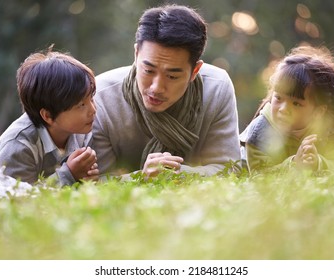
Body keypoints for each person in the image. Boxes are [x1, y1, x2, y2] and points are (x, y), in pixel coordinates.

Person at [92, 4, 241, 178]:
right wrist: (143, 177)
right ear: (136, 54)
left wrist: (178, 174)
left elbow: (230, 169)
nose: (156, 88)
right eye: (148, 71)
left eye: (172, 76)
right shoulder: (101, 96)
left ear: (195, 71)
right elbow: (95, 183)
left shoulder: (216, 88)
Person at [0, 46, 99, 185]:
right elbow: (19, 198)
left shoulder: (80, 130)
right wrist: (69, 174)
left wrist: (85, 179)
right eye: (81, 105)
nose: (93, 110)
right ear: (48, 115)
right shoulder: (19, 146)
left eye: (91, 98)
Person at [240, 46, 334, 173]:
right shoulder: (260, 131)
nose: (283, 109)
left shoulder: (331, 130)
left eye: (296, 103)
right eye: (278, 98)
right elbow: (260, 175)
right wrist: (295, 164)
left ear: (319, 112)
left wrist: (317, 163)